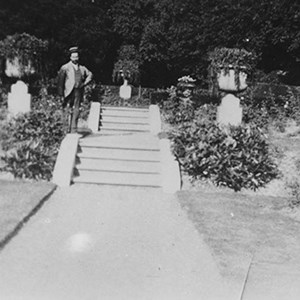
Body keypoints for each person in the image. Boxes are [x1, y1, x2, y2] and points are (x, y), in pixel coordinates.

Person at [57, 47, 93, 133]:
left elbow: (90, 74)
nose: (75, 59)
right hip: (68, 91)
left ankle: (73, 129)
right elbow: (60, 82)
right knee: (66, 109)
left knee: (76, 109)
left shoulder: (82, 68)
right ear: (70, 57)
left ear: (78, 57)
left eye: (76, 57)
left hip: (78, 91)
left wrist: (84, 83)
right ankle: (64, 128)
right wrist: (61, 94)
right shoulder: (65, 67)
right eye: (73, 57)